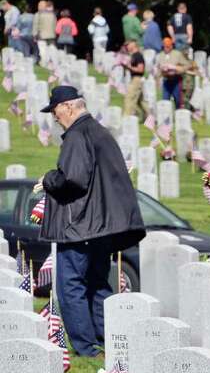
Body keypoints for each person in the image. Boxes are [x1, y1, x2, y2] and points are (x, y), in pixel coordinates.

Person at [38, 86, 145, 358]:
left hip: (79, 226)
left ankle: (86, 348)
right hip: (102, 227)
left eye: (55, 110)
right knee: (98, 282)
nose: (54, 117)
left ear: (69, 107)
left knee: (70, 286)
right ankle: (108, 340)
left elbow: (73, 178)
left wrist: (49, 179)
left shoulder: (77, 135)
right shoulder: (100, 133)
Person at [121, 40, 147, 121]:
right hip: (134, 79)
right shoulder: (133, 56)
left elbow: (141, 70)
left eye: (127, 45)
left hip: (137, 79)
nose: (126, 47)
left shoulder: (138, 56)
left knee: (129, 98)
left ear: (133, 45)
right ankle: (149, 117)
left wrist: (129, 67)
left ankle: (126, 118)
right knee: (141, 102)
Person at [158, 37, 187, 107]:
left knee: (178, 100)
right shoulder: (161, 55)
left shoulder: (177, 54)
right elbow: (159, 67)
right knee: (165, 100)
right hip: (166, 80)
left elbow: (186, 66)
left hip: (176, 80)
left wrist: (174, 67)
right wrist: (162, 70)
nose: (166, 48)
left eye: (168, 47)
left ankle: (178, 114)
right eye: (164, 47)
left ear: (171, 46)